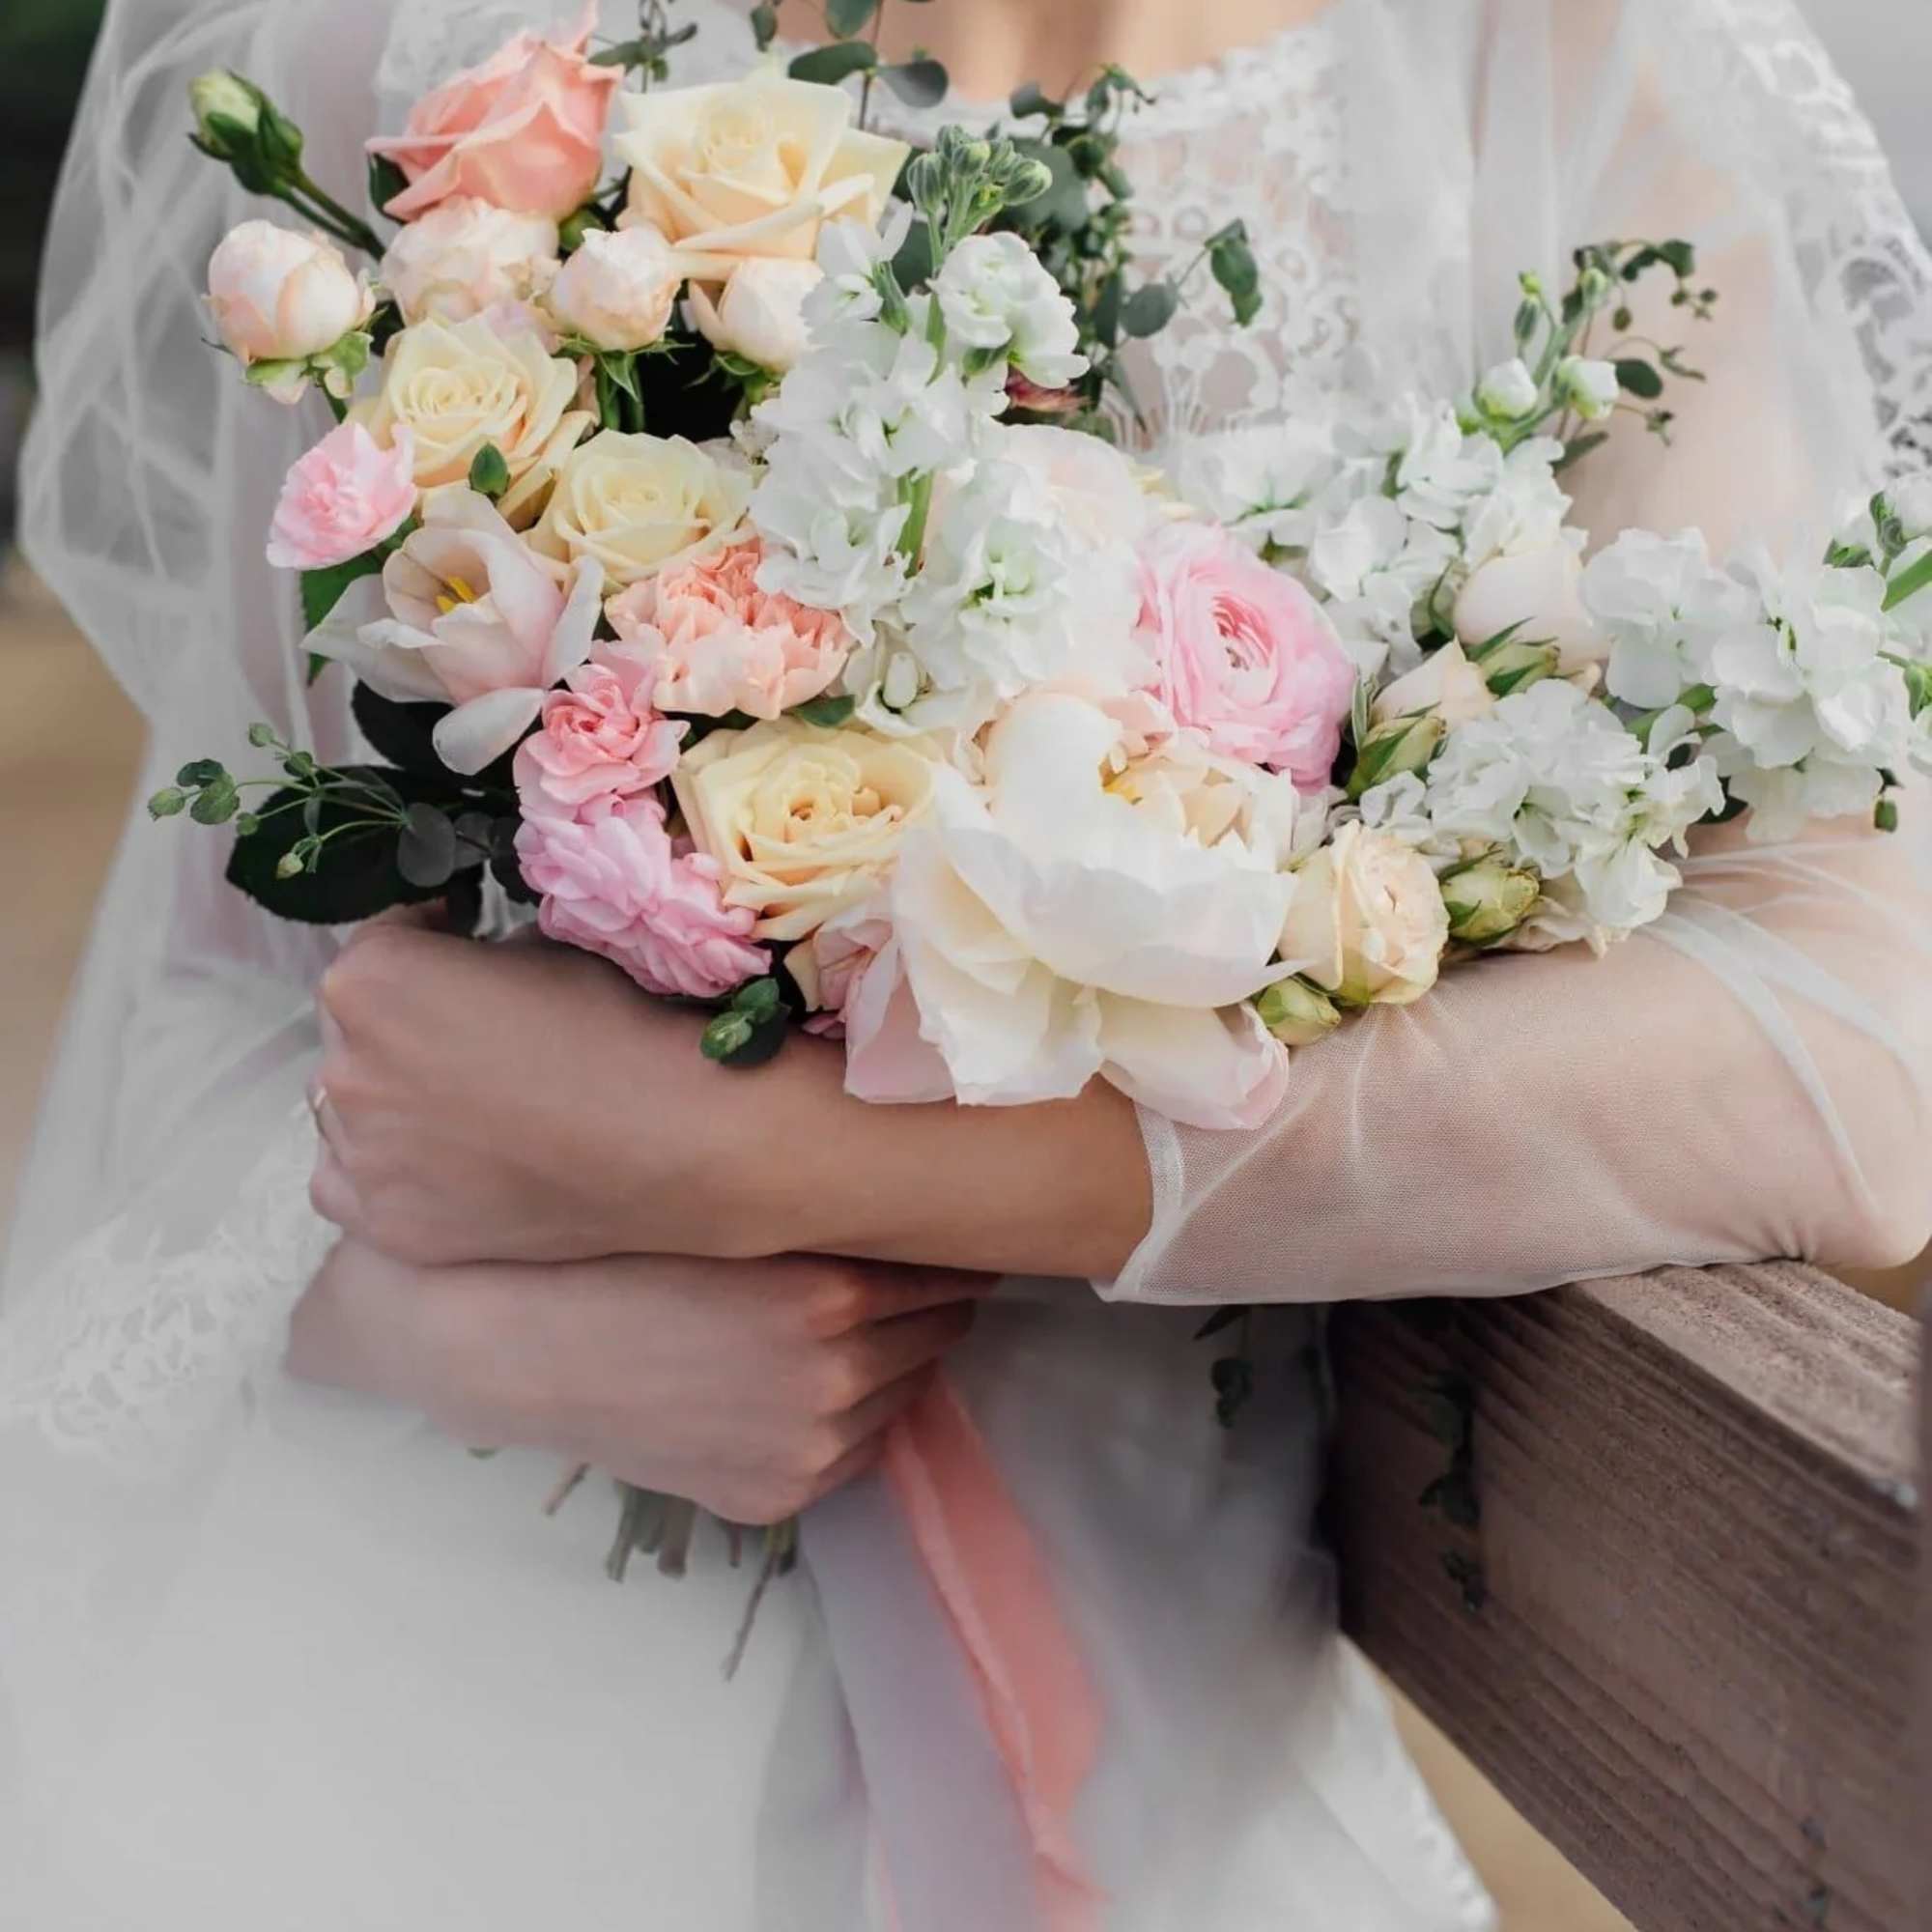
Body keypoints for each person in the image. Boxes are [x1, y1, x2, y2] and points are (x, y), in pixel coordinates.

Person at [6, 1, 1930, 1924]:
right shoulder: (449, 83)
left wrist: (777, 1169)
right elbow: (219, 1017)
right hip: (404, 1719)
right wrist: (468, 1333)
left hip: (1144, 1739)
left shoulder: (1563, 82)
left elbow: (1843, 1055)